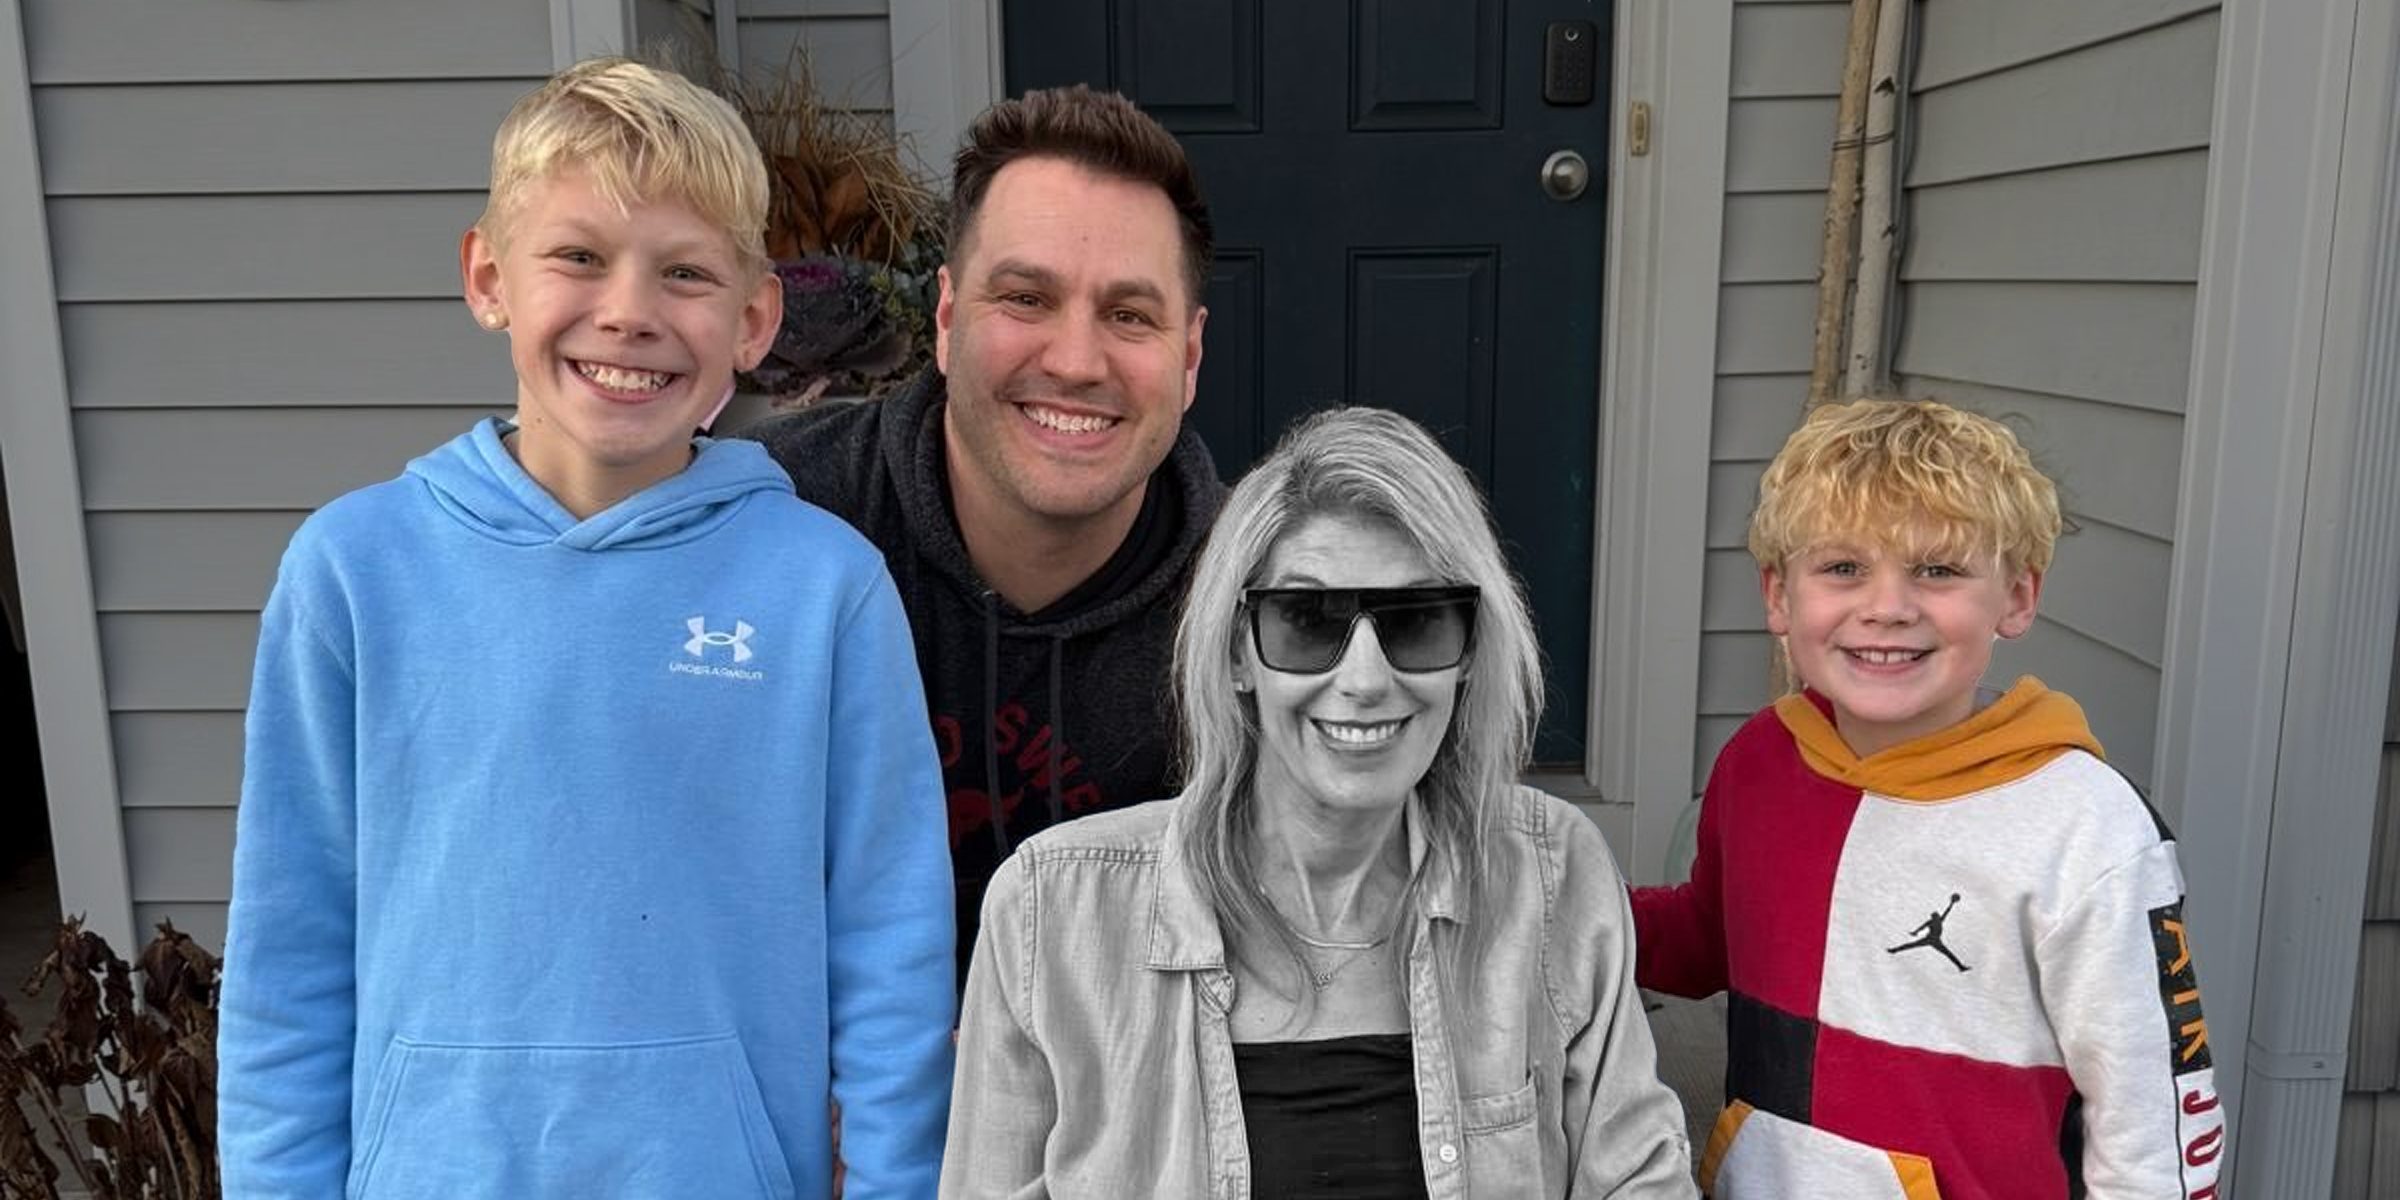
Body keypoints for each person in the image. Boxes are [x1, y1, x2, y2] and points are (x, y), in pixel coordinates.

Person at [216, 58, 954, 1199]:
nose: (628, 311)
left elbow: (890, 952)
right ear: (488, 277)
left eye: (685, 272)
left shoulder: (825, 591)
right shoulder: (353, 573)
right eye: (577, 256)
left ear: (755, 318)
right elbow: (290, 951)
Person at [941, 407, 1696, 1197]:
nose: (1365, 680)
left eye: (1417, 621)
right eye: (1307, 621)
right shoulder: (1052, 914)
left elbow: (1638, 1179)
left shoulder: (1550, 874)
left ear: (1470, 651)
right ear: (1237, 652)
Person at [1631, 398, 2223, 1198]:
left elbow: (2154, 1124)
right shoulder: (1761, 760)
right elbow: (1708, 940)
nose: (1888, 607)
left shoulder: (2089, 827)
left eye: (1937, 570)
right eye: (1843, 568)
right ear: (1778, 596)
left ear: (2017, 597)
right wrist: (1556, 900)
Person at [738, 84, 1224, 987]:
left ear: (1188, 357)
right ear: (948, 318)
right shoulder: (770, 520)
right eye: (1026, 297)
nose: (1075, 362)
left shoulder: (1262, 607)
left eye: (1129, 314)